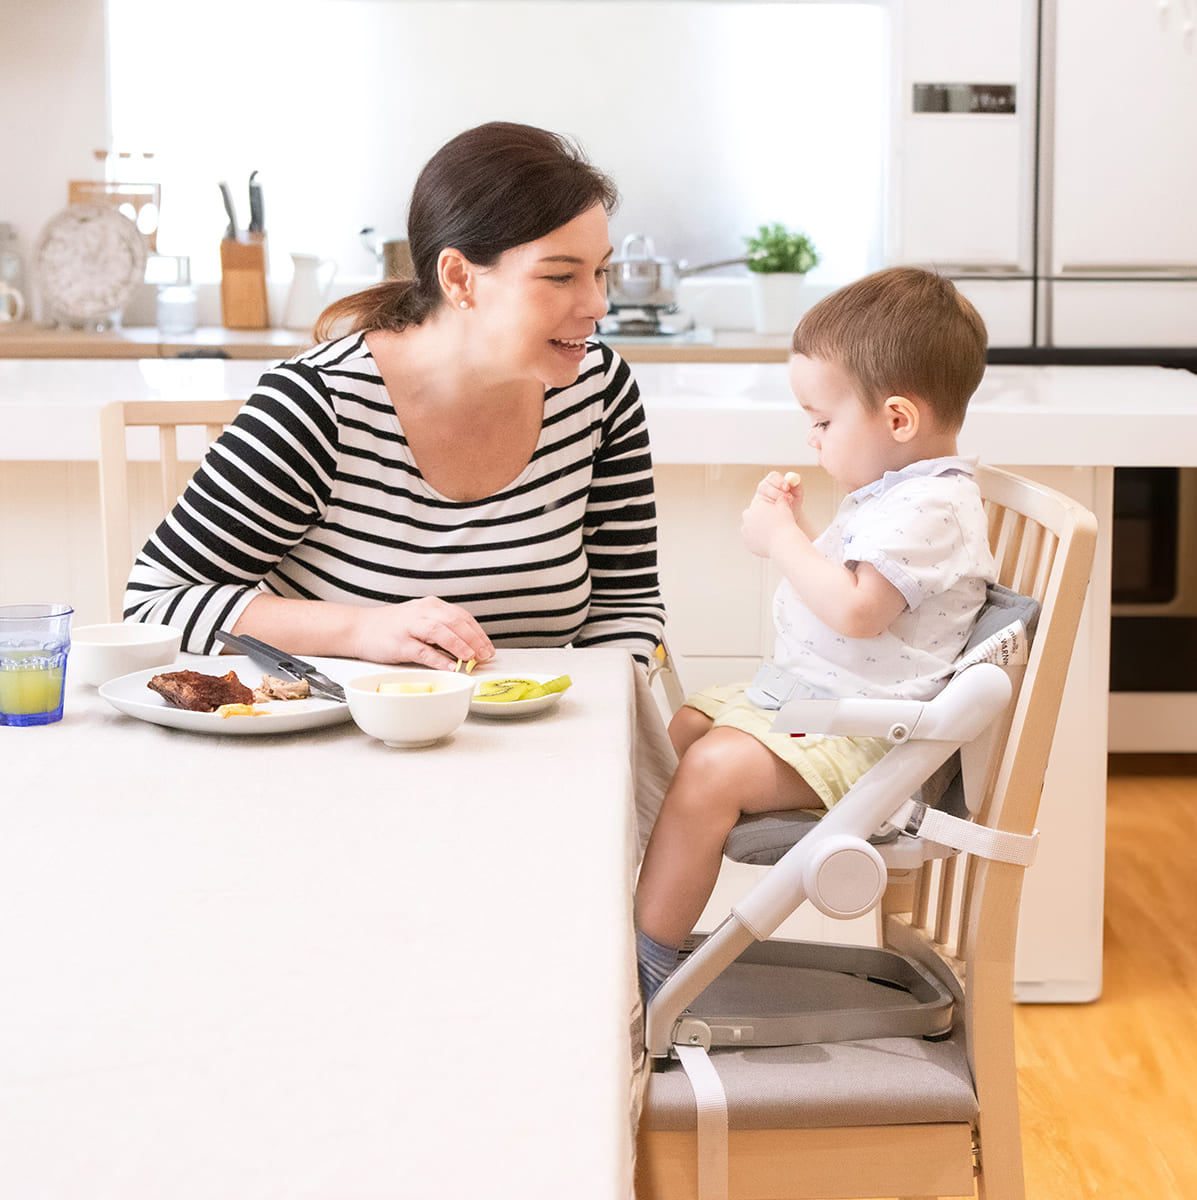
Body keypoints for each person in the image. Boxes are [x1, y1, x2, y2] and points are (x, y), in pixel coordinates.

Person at [124, 122, 665, 671]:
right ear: (459, 278)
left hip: (540, 744)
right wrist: (362, 629)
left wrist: (608, 715)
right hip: (346, 743)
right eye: (560, 277)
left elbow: (628, 604)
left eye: (601, 272)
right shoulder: (319, 406)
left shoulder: (599, 391)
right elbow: (152, 605)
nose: (598, 304)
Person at [634, 266, 997, 1000]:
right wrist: (798, 532)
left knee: (707, 772)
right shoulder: (897, 498)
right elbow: (858, 595)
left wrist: (781, 541)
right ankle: (651, 908)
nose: (812, 436)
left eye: (824, 421)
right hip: (820, 702)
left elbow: (860, 610)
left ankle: (651, 961)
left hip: (873, 737)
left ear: (898, 420)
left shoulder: (932, 508)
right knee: (681, 727)